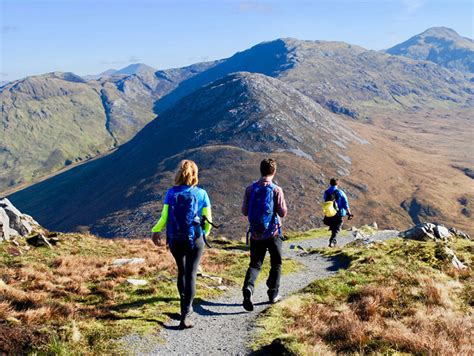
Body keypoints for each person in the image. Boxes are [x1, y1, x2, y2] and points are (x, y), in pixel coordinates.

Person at [151, 160, 212, 329]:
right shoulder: (202, 194)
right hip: (195, 239)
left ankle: (183, 308)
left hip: (175, 239)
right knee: (191, 275)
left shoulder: (171, 193)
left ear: (179, 173)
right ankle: (186, 313)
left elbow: (164, 217)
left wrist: (155, 231)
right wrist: (203, 235)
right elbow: (208, 221)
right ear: (194, 175)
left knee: (182, 272)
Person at [241, 158, 288, 311]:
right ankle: (273, 294)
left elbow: (244, 211)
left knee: (255, 264)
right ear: (274, 172)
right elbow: (282, 212)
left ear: (260, 170)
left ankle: (248, 288)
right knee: (276, 263)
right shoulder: (276, 190)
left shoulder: (250, 189)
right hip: (273, 233)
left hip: (255, 234)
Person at [323, 178, 353, 247]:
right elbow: (345, 204)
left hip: (330, 213)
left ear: (330, 183)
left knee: (334, 226)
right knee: (337, 227)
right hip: (338, 213)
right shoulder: (340, 192)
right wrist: (349, 213)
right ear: (337, 184)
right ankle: (332, 240)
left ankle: (333, 241)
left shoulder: (326, 192)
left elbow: (326, 202)